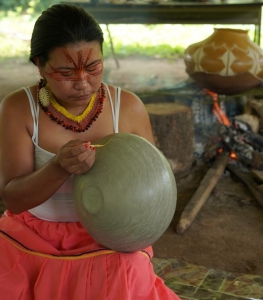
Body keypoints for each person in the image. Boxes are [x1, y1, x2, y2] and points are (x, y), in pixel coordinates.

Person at [0, 4, 180, 300]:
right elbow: (13, 199)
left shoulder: (129, 108)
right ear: (40, 65)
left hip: (109, 237)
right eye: (66, 72)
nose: (83, 83)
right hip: (33, 235)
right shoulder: (19, 108)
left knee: (123, 274)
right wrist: (58, 167)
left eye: (93, 67)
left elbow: (153, 193)